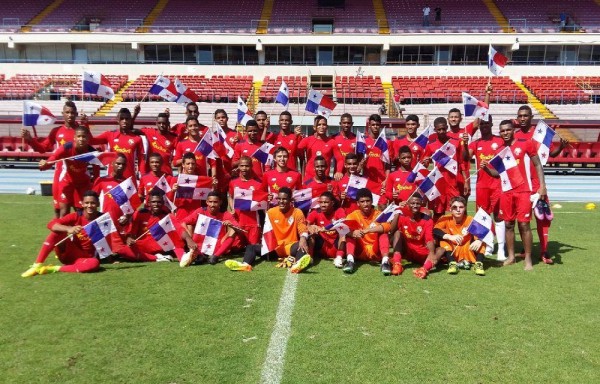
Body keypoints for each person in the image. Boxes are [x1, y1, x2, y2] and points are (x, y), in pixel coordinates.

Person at [481, 120, 547, 270]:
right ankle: (511, 257)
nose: (505, 133)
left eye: (508, 130)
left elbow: (537, 164)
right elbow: (498, 173)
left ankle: (528, 259)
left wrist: (542, 186)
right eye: (502, 131)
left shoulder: (525, 144)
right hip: (507, 191)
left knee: (524, 224)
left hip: (524, 190)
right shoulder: (500, 149)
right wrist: (486, 169)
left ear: (513, 130)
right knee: (508, 224)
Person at [514, 105, 568, 264]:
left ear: (531, 117)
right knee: (522, 219)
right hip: (521, 184)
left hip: (537, 183)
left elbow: (550, 154)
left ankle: (544, 251)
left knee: (542, 218)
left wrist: (561, 147)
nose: (522, 118)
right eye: (520, 116)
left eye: (525, 115)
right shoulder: (514, 136)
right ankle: (525, 248)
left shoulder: (539, 135)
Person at [21, 100, 88, 217]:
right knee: (59, 211)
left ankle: (80, 235)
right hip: (61, 175)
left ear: (76, 114)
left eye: (72, 112)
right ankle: (59, 233)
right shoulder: (56, 131)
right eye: (67, 112)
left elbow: (91, 147)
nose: (70, 115)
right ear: (63, 113)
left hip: (79, 175)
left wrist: (86, 124)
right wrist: (30, 139)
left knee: (81, 212)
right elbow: (43, 148)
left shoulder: (82, 131)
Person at [225, 187, 313, 273]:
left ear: (291, 200)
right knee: (251, 247)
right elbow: (267, 231)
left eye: (284, 199)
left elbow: (303, 229)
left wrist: (303, 239)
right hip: (275, 248)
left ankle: (296, 265)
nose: (281, 201)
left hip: (290, 246)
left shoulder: (297, 212)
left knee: (303, 243)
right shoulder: (271, 212)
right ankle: (245, 265)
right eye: (279, 199)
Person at [21, 190, 103, 277]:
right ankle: (37, 265)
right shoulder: (76, 216)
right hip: (70, 252)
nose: (89, 206)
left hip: (86, 258)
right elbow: (51, 224)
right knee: (57, 232)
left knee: (94, 264)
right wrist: (69, 229)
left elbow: (115, 233)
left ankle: (51, 269)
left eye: (93, 203)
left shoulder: (104, 219)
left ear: (98, 204)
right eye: (87, 203)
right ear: (82, 204)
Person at [462, 115, 506, 260]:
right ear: (479, 126)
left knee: (498, 216)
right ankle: (487, 245)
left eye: (487, 124)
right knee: (482, 217)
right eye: (482, 124)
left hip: (497, 184)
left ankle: (501, 248)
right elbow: (466, 158)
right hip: (482, 185)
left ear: (492, 124)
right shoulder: (476, 143)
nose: (485, 126)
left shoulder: (500, 141)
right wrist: (464, 144)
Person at [39, 125, 100, 217]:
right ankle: (62, 230)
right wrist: (45, 164)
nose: (81, 139)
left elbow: (96, 172)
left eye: (84, 137)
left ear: (88, 139)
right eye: (79, 136)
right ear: (74, 138)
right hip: (67, 181)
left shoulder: (92, 153)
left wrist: (95, 187)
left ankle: (80, 231)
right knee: (64, 211)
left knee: (83, 213)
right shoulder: (67, 147)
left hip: (83, 184)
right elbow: (54, 157)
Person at [117, 190, 184, 263]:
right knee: (121, 250)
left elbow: (179, 231)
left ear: (163, 203)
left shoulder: (167, 216)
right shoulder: (140, 213)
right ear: (149, 203)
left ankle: (152, 257)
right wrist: (129, 239)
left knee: (177, 243)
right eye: (153, 202)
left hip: (160, 245)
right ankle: (157, 258)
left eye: (159, 202)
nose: (156, 204)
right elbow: (132, 233)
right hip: (142, 246)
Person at [179, 192, 244, 266]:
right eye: (210, 202)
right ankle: (199, 254)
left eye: (215, 202)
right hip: (199, 246)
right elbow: (182, 222)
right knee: (188, 225)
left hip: (218, 245)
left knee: (233, 230)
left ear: (220, 202)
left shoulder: (225, 214)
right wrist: (189, 238)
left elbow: (241, 231)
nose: (212, 205)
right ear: (206, 202)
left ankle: (215, 256)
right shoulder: (200, 211)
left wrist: (231, 224)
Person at [423, 116, 467, 220]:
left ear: (447, 127)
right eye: (439, 129)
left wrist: (465, 181)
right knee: (438, 212)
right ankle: (436, 235)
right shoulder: (431, 145)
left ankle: (454, 234)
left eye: (443, 128)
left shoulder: (455, 143)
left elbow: (461, 163)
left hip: (453, 183)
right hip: (438, 183)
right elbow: (425, 163)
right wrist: (425, 161)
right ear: (435, 130)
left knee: (456, 211)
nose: (442, 131)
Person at [433, 196, 486, 276]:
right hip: (452, 249)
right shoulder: (445, 218)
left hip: (467, 248)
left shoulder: (470, 219)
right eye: (455, 207)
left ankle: (478, 264)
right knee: (443, 241)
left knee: (481, 240)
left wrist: (479, 240)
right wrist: (450, 236)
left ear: (464, 208)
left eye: (461, 207)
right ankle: (452, 263)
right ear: (450, 209)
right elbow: (435, 230)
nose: (458, 210)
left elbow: (483, 232)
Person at [343, 188, 391, 275]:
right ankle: (350, 261)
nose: (365, 204)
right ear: (358, 203)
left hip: (375, 250)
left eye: (368, 201)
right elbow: (343, 229)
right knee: (350, 235)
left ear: (372, 201)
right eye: (362, 202)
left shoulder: (378, 214)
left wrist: (367, 230)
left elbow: (387, 226)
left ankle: (385, 262)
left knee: (383, 234)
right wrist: (352, 233)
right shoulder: (353, 215)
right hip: (360, 250)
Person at [390, 195, 439, 279]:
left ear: (421, 205)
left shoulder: (428, 220)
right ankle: (397, 264)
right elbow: (392, 231)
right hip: (408, 251)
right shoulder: (403, 216)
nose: (415, 205)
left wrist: (431, 253)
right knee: (398, 233)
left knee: (440, 250)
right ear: (408, 204)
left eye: (417, 203)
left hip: (422, 253)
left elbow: (429, 238)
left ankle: (424, 269)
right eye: (412, 203)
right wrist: (397, 212)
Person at [93, 108, 144, 182]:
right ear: (118, 120)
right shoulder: (110, 135)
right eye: (122, 119)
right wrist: (85, 124)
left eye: (127, 119)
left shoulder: (137, 139)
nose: (124, 121)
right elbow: (92, 141)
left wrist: (142, 176)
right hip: (112, 178)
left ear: (130, 120)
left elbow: (142, 159)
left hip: (129, 178)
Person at [228, 156, 263, 246]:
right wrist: (232, 209)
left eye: (246, 166)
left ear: (251, 166)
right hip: (239, 220)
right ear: (238, 167)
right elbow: (230, 197)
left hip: (253, 221)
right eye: (242, 166)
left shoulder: (258, 185)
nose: (244, 168)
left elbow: (262, 202)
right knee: (235, 247)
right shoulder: (233, 183)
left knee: (253, 246)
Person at [307, 191, 346, 265]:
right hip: (322, 246)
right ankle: (310, 257)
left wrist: (324, 228)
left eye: (326, 202)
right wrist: (311, 227)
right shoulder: (316, 212)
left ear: (332, 203)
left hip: (336, 244)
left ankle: (339, 258)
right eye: (321, 202)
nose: (323, 205)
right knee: (311, 231)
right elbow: (306, 224)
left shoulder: (339, 211)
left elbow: (343, 223)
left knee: (343, 231)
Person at [172, 152, 214, 220]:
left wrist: (213, 185)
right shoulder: (175, 179)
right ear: (183, 164)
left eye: (193, 164)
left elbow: (210, 196)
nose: (190, 166)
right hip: (181, 213)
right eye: (188, 164)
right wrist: (173, 191)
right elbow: (169, 200)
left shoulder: (200, 180)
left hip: (195, 213)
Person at [136, 111, 177, 176]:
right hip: (150, 172)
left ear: (168, 123)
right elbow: (132, 130)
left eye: (164, 123)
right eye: (159, 123)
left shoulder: (174, 138)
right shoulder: (150, 132)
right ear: (156, 123)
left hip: (166, 173)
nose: (161, 125)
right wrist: (135, 113)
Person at [297, 115, 334, 181]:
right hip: (309, 179)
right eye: (319, 125)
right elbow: (295, 152)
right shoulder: (307, 140)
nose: (321, 127)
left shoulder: (332, 142)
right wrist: (296, 137)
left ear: (327, 127)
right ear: (314, 127)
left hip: (325, 179)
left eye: (324, 125)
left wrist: (339, 171)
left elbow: (340, 159)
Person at [385, 145, 419, 211]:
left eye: (408, 157)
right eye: (404, 158)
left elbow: (420, 193)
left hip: (413, 208)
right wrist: (392, 195)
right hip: (398, 208)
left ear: (412, 158)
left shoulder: (416, 174)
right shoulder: (392, 175)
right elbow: (387, 193)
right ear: (399, 159)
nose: (406, 160)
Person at [332, 113, 357, 181]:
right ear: (340, 123)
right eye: (344, 123)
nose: (346, 125)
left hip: (353, 176)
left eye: (348, 123)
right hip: (338, 175)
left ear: (352, 124)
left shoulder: (357, 139)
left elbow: (360, 157)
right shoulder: (334, 138)